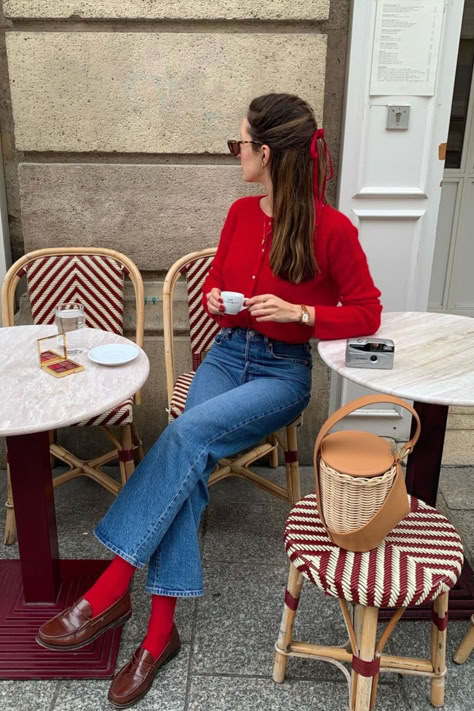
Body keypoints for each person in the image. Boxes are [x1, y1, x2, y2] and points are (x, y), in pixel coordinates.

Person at [36, 93, 382, 708]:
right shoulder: (240, 214)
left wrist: (302, 312)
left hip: (279, 375)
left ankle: (112, 587)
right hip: (224, 357)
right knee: (188, 458)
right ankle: (157, 635)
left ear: (267, 153)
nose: (236, 154)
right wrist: (223, 297)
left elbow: (366, 311)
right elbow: (218, 279)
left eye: (240, 144)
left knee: (185, 437)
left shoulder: (332, 229)